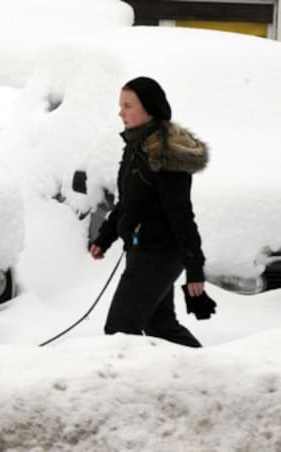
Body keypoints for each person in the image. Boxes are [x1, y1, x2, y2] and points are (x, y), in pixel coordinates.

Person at [89, 76, 209, 348]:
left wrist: (195, 267)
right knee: (160, 325)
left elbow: (181, 214)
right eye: (121, 105)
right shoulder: (136, 145)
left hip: (160, 252)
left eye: (128, 105)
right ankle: (204, 372)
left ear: (149, 108)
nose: (121, 112)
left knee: (120, 329)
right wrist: (104, 237)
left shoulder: (164, 152)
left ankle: (203, 375)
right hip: (141, 248)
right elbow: (130, 201)